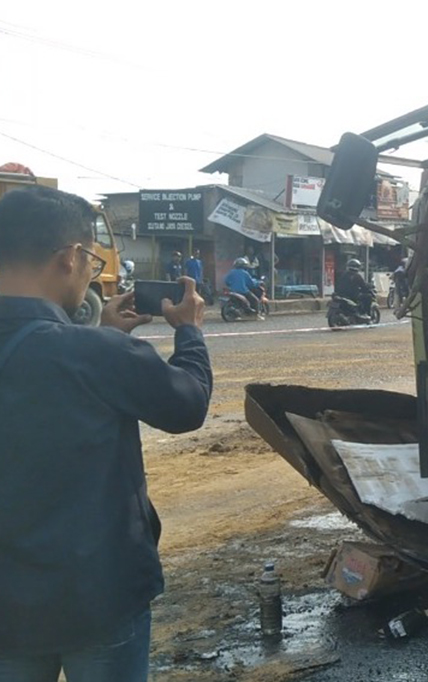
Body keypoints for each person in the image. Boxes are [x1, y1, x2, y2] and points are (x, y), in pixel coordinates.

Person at [0, 185, 212, 681]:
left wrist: (106, 337)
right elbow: (187, 405)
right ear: (71, 257)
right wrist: (191, 333)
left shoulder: (94, 350)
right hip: (96, 597)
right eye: (93, 261)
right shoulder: (96, 354)